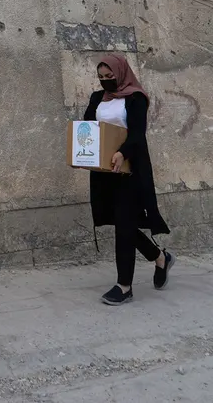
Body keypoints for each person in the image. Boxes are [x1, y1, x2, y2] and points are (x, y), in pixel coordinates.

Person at [81, 54, 174, 306]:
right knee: (121, 223)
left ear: (120, 73)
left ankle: (124, 286)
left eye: (110, 77)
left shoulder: (135, 98)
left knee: (124, 226)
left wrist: (122, 152)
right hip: (104, 173)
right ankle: (160, 257)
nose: (105, 82)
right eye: (101, 78)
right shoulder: (96, 98)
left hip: (129, 170)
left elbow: (137, 133)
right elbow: (88, 126)